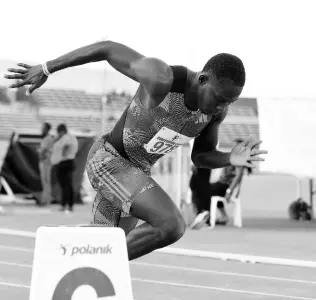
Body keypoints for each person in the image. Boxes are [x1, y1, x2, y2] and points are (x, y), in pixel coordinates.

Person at [4, 40, 267, 260]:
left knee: (106, 244)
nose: (222, 108)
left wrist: (230, 158)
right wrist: (47, 68)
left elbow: (200, 156)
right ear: (203, 78)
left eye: (229, 102)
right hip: (109, 160)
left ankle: (66, 257)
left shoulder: (213, 115)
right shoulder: (161, 77)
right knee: (171, 225)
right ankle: (85, 260)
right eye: (220, 99)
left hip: (136, 173)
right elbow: (107, 49)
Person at [190, 138, 252, 229]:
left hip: (226, 186)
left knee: (206, 191)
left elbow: (237, 177)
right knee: (204, 189)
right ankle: (220, 216)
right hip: (222, 184)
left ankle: (206, 216)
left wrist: (229, 191)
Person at [50, 124, 78, 213]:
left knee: (65, 185)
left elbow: (66, 147)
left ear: (61, 131)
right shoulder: (70, 137)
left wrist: (62, 156)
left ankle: (65, 205)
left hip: (65, 162)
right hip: (68, 162)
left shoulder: (66, 138)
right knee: (68, 185)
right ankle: (69, 205)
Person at [37, 122, 55, 206]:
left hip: (45, 162)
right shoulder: (47, 138)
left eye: (43, 128)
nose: (41, 129)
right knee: (45, 181)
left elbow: (43, 151)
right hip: (45, 161)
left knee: (46, 181)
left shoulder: (48, 139)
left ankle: (46, 200)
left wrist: (39, 151)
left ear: (47, 129)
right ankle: (45, 199)